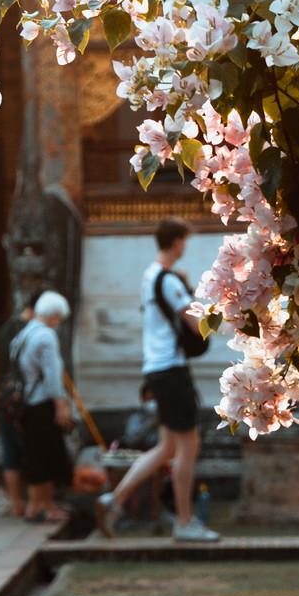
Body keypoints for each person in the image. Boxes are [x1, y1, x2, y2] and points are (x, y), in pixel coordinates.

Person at [94, 217, 219, 544]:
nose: (185, 247)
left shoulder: (151, 276)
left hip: (156, 369)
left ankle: (114, 500)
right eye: (184, 241)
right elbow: (198, 326)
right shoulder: (170, 281)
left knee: (167, 447)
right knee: (189, 447)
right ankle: (185, 521)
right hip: (172, 371)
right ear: (177, 242)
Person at [11, 290, 72, 523]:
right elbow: (52, 375)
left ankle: (41, 505)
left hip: (26, 401)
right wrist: (61, 405)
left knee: (35, 454)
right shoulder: (46, 336)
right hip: (42, 402)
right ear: (54, 314)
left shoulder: (24, 334)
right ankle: (39, 506)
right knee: (45, 456)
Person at [0, 294, 35, 517]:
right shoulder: (29, 330)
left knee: (9, 452)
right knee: (31, 449)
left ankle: (16, 503)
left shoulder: (5, 328)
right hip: (22, 395)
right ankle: (34, 503)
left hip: (3, 394)